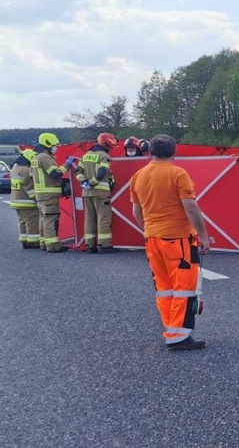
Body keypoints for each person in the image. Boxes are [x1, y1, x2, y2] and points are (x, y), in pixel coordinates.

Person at [130, 135, 211, 351]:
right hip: (178, 240)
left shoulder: (138, 176)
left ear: (149, 152)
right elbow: (191, 207)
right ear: (174, 152)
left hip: (153, 239)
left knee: (164, 289)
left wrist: (148, 230)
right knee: (184, 287)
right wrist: (203, 236)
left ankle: (170, 329)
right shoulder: (177, 174)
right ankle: (179, 336)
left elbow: (136, 211)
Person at [30, 132, 75, 253]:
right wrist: (67, 165)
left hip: (41, 194)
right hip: (48, 195)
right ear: (48, 144)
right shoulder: (45, 157)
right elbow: (55, 173)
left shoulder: (35, 157)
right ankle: (53, 245)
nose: (55, 147)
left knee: (44, 219)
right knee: (51, 219)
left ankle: (44, 242)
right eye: (54, 145)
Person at [76, 132, 119, 253]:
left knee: (89, 219)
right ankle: (104, 245)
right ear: (106, 144)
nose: (111, 149)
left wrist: (84, 182)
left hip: (87, 193)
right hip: (101, 193)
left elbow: (78, 172)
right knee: (103, 218)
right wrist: (93, 182)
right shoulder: (103, 155)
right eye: (110, 146)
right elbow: (102, 172)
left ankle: (90, 245)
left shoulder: (85, 156)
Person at [9, 149, 39, 249]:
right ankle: (33, 242)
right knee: (32, 221)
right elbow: (29, 187)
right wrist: (37, 199)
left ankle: (24, 240)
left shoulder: (15, 168)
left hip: (16, 200)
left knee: (22, 221)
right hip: (26, 201)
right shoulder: (25, 170)